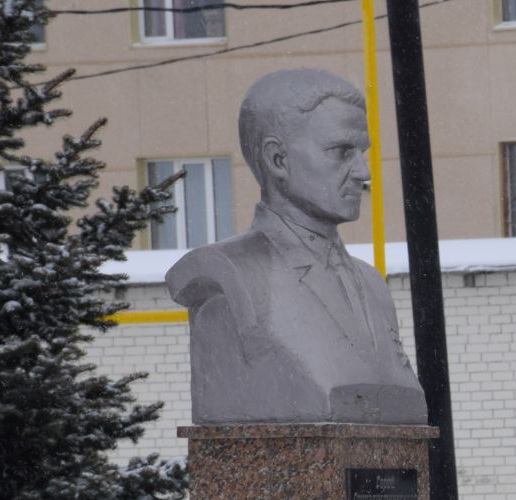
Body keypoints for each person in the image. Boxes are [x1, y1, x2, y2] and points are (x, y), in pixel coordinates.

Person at [167, 68, 426, 426]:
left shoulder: (372, 285)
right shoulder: (228, 275)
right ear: (278, 160)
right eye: (342, 151)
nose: (363, 172)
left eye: (362, 152)